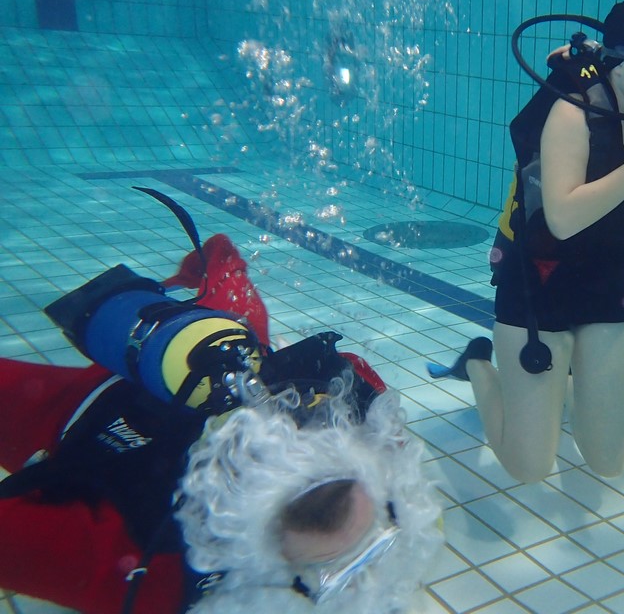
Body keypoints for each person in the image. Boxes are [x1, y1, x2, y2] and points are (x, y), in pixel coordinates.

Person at [0, 229, 442, 614]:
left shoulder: (364, 415)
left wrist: (195, 271)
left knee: (231, 296)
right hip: (68, 412)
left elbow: (225, 260)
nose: (363, 579)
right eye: (324, 572)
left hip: (205, 361)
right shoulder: (144, 572)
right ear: (259, 551)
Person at [434, 0, 624, 483]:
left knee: (607, 462)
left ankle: (562, 389)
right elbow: (563, 218)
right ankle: (475, 363)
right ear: (620, 60)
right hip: (538, 289)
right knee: (531, 467)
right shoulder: (572, 111)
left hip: (610, 287)